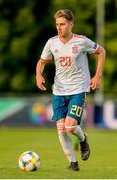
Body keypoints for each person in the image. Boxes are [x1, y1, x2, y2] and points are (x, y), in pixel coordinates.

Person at [36, 9, 106, 171]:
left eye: (62, 24)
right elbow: (41, 62)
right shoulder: (52, 42)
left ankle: (83, 139)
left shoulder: (81, 41)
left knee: (70, 127)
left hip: (77, 89)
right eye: (57, 24)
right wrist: (38, 75)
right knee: (61, 130)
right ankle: (73, 164)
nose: (59, 27)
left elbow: (101, 51)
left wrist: (97, 76)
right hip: (58, 91)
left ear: (71, 24)